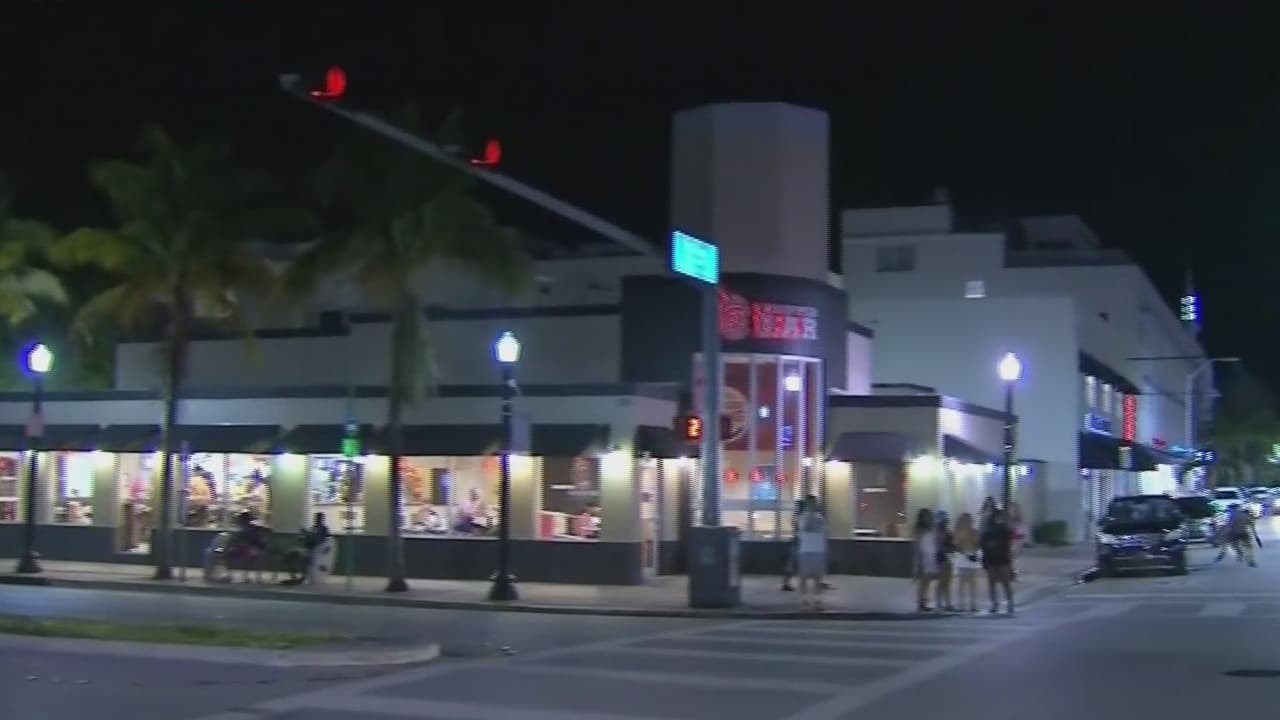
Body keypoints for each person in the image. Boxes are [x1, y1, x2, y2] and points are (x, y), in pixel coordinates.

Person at [795, 494, 828, 610]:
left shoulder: (820, 518)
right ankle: (804, 600)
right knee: (803, 577)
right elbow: (806, 527)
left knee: (818, 577)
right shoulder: (802, 517)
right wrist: (809, 514)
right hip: (806, 551)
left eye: (813, 503)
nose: (812, 505)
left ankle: (817, 600)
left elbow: (823, 532)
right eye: (809, 503)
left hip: (818, 551)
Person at [981, 508, 1015, 614]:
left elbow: (1008, 545)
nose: (998, 518)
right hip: (992, 558)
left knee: (1004, 582)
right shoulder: (988, 529)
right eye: (997, 516)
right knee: (993, 582)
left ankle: (1008, 603)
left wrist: (1010, 561)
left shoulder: (1004, 529)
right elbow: (983, 545)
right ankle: (995, 603)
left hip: (1002, 558)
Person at [953, 513, 982, 613]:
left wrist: (973, 551)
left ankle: (973, 604)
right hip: (962, 558)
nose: (968, 522)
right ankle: (961, 604)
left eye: (969, 520)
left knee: (972, 582)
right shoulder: (958, 532)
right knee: (962, 581)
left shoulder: (974, 532)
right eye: (966, 520)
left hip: (972, 556)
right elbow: (956, 546)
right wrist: (964, 551)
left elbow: (978, 544)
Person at [913, 508, 939, 612]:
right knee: (923, 581)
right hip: (924, 555)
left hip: (931, 555)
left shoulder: (931, 528)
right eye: (927, 515)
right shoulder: (919, 529)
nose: (929, 517)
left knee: (927, 581)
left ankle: (924, 601)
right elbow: (917, 545)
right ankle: (921, 602)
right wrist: (918, 561)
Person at [934, 511, 957, 612]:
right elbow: (940, 546)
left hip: (947, 557)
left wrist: (952, 548)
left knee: (946, 582)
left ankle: (946, 603)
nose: (945, 522)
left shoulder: (946, 531)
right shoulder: (939, 532)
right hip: (942, 557)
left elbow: (951, 544)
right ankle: (939, 603)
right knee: (942, 581)